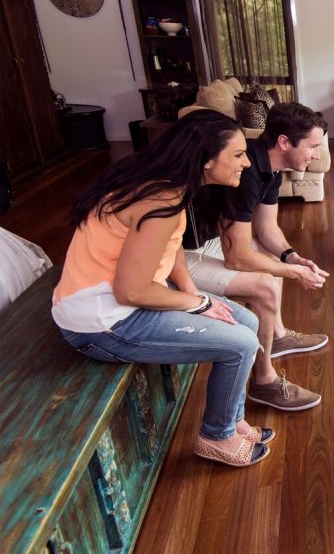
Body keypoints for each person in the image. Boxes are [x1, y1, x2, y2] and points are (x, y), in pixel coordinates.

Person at [52, 110, 272, 468]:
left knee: (244, 320)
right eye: (237, 154)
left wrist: (196, 296)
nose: (246, 163)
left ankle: (231, 421)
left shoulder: (167, 186)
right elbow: (131, 292)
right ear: (204, 160)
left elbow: (171, 251)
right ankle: (217, 437)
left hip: (120, 302)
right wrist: (196, 303)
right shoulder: (159, 201)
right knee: (242, 344)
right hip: (101, 322)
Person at [184, 102, 329, 412]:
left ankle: (275, 337)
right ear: (284, 142)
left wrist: (291, 258)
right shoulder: (246, 170)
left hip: (207, 241)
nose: (316, 155)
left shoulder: (271, 169)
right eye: (313, 146)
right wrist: (292, 274)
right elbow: (237, 257)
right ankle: (263, 382)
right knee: (265, 283)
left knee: (269, 259)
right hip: (180, 255)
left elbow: (266, 228)